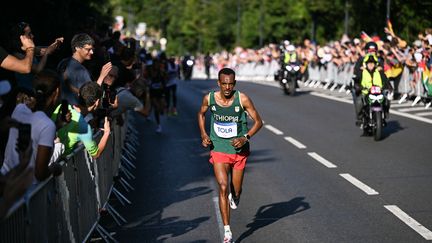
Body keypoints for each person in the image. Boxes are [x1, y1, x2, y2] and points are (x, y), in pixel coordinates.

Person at [197, 67, 263, 243]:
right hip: (218, 147)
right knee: (223, 187)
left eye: (231, 84)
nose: (227, 87)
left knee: (236, 190)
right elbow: (201, 114)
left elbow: (259, 122)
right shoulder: (209, 98)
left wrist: (245, 137)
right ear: (218, 83)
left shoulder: (242, 99)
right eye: (224, 84)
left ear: (235, 84)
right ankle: (228, 231)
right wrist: (204, 134)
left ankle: (236, 195)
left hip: (239, 150)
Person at [1, 69, 62, 182]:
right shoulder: (48, 125)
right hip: (24, 191)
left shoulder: (19, 109)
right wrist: (54, 168)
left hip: (6, 181)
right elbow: (40, 173)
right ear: (57, 92)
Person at [51, 82, 110, 158]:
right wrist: (107, 133)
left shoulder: (62, 106)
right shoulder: (84, 128)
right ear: (97, 102)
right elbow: (96, 154)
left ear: (79, 94)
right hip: (55, 161)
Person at [57, 33, 111, 105]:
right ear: (77, 48)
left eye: (92, 49)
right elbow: (90, 96)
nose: (91, 52)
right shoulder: (81, 70)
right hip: (76, 112)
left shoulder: (62, 62)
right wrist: (102, 76)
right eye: (88, 49)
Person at [353, 54, 392, 126]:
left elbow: (386, 80)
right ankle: (360, 118)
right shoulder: (361, 72)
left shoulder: (380, 72)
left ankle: (384, 116)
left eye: (372, 63)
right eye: (369, 63)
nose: (371, 65)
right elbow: (356, 81)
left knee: (386, 101)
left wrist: (389, 87)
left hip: (378, 92)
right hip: (365, 92)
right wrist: (357, 86)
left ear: (375, 64)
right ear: (366, 64)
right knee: (359, 102)